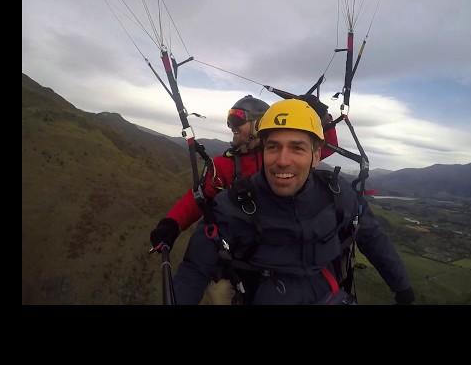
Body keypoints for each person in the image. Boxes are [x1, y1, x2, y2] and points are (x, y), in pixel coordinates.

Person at [172, 98, 415, 305]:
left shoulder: (339, 196)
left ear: (316, 155)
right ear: (263, 151)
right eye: (273, 147)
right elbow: (195, 269)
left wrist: (402, 287)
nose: (283, 160)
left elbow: (373, 238)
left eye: (297, 148)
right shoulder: (232, 207)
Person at [149, 94, 339, 304]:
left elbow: (325, 145)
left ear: (258, 125)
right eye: (231, 122)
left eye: (239, 121)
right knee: (220, 294)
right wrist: (172, 224)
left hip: (282, 255)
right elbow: (197, 199)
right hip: (239, 258)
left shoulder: (276, 159)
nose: (233, 126)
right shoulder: (224, 165)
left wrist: (321, 116)